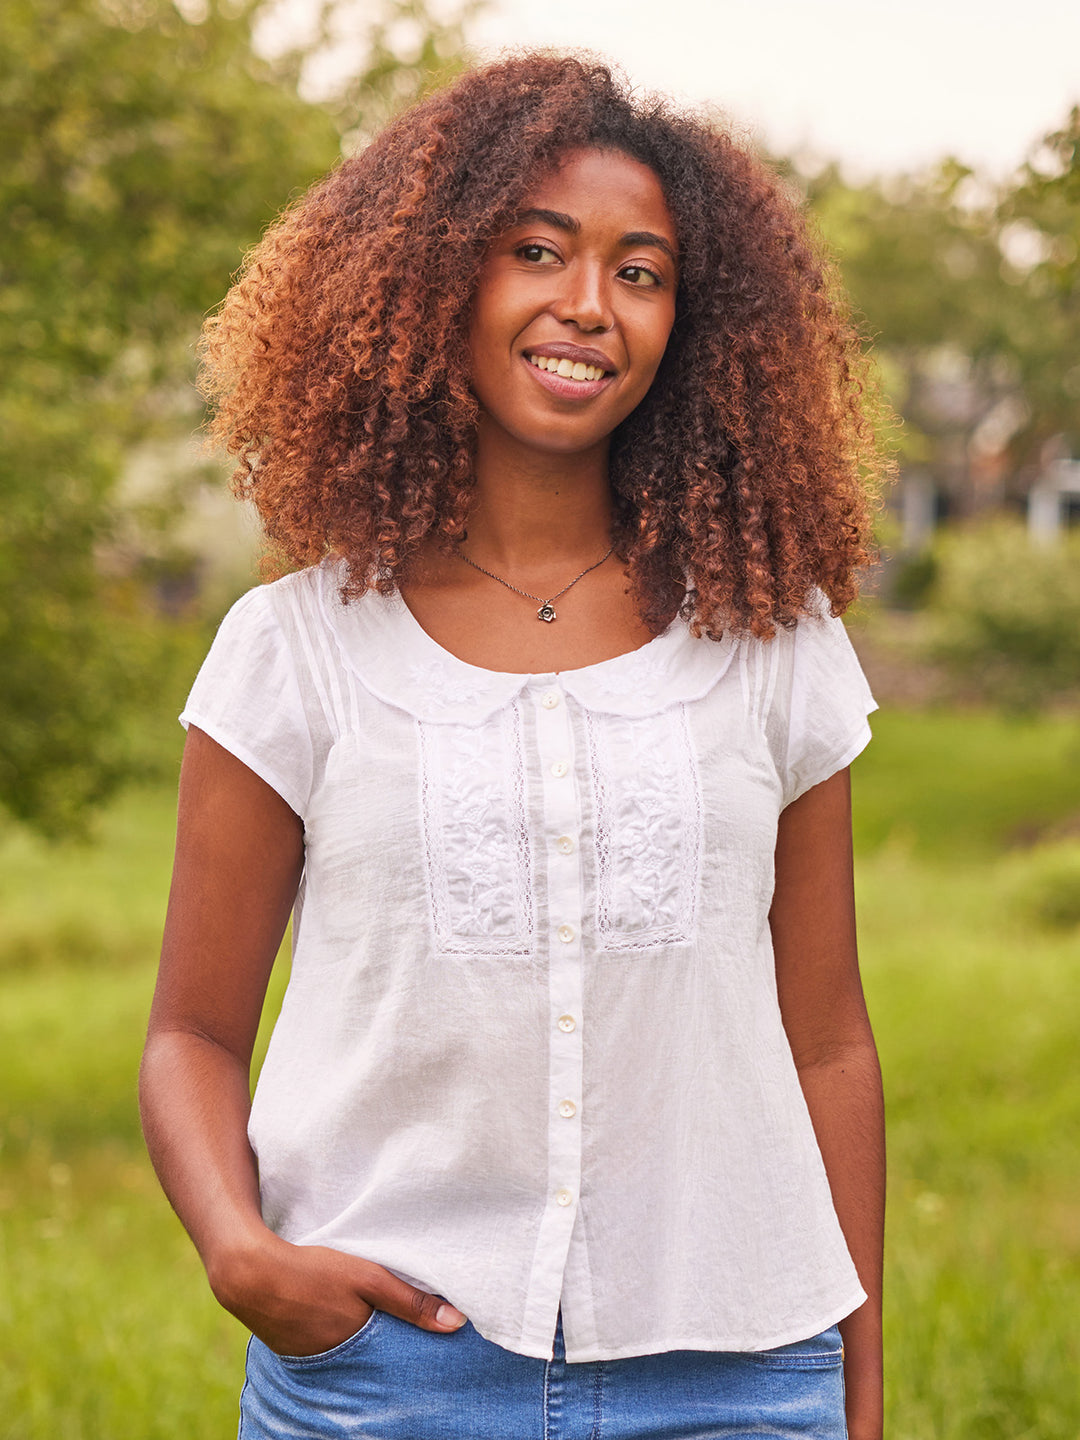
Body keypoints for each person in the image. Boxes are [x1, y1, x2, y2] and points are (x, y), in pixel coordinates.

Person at [139, 52, 887, 1440]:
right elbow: (190, 1031)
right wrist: (240, 1255)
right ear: (431, 287)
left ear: (694, 325)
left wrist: (857, 1386)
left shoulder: (774, 640)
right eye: (535, 252)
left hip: (740, 1375)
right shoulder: (292, 646)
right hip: (386, 1377)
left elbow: (829, 1042)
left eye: (642, 271)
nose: (588, 306)